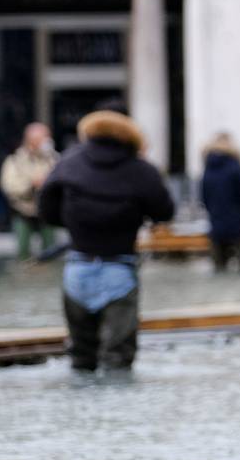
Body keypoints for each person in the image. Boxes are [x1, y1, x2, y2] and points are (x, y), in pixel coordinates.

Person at [37, 111, 175, 373]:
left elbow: (45, 208)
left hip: (77, 268)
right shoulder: (140, 170)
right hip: (119, 269)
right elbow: (165, 212)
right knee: (118, 360)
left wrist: (72, 223)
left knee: (80, 356)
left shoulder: (69, 162)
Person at [0, 122, 59, 260]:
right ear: (30, 140)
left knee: (51, 253)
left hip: (47, 213)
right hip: (23, 212)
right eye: (42, 138)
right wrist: (32, 184)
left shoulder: (54, 158)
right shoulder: (14, 160)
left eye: (47, 137)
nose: (46, 141)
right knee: (22, 254)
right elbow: (9, 186)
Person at [199, 133, 240, 272]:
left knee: (219, 267)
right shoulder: (235, 166)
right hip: (238, 221)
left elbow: (204, 196)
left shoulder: (208, 168)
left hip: (216, 221)